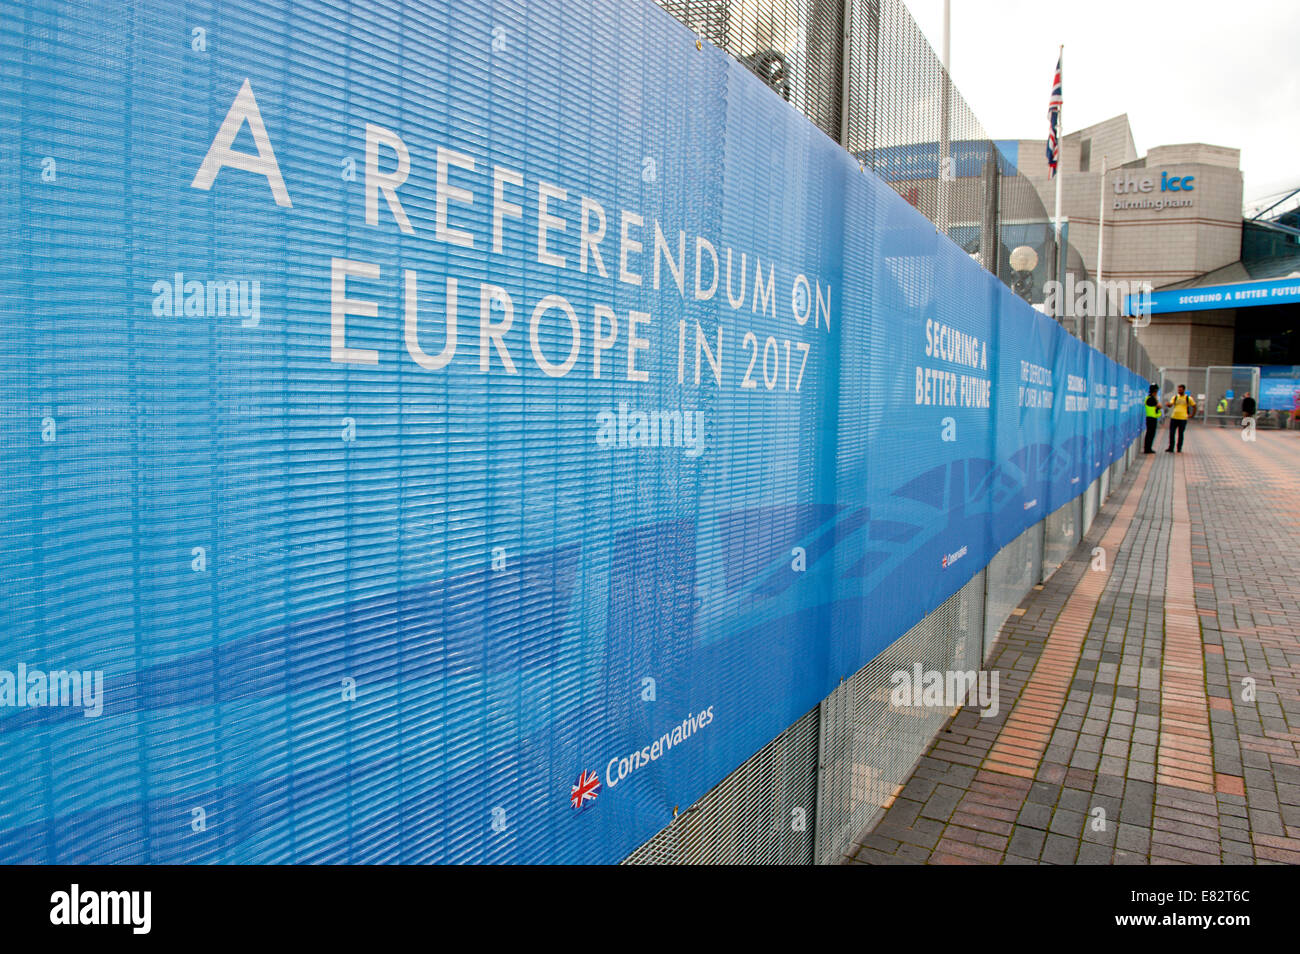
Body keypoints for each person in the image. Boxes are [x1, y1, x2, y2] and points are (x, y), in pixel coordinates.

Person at [1165, 383, 1196, 452]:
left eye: (1180, 390)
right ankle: (1171, 447)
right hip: (1174, 417)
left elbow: (1194, 406)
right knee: (1172, 433)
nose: (1179, 391)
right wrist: (1168, 404)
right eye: (1178, 390)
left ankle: (1179, 448)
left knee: (1180, 433)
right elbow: (1171, 404)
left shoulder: (1188, 398)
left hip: (1183, 418)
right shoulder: (1175, 397)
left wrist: (1192, 415)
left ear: (1184, 390)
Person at [1143, 384, 1161, 453]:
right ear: (1155, 391)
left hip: (1151, 417)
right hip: (1151, 418)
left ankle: (1148, 448)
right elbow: (1159, 406)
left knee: (1150, 434)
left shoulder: (1149, 398)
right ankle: (1148, 449)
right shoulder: (1151, 398)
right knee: (1150, 434)